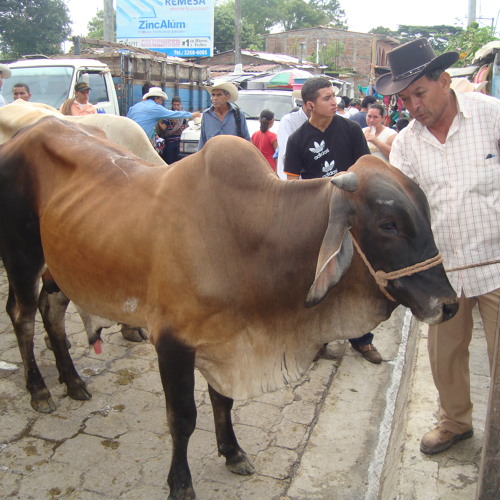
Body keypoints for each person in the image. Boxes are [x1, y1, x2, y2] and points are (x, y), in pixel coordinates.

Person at [377, 38, 500, 455]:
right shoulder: (407, 146)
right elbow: (405, 216)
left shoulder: (491, 116)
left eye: (419, 93)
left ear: (444, 81)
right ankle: (455, 423)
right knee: (444, 356)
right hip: (443, 273)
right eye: (406, 98)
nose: (413, 106)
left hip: (497, 265)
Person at [284, 76, 382, 364]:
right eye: (327, 98)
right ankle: (319, 339)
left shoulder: (350, 130)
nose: (334, 101)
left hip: (353, 215)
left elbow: (366, 169)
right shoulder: (297, 140)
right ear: (310, 105)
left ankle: (362, 340)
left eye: (334, 96)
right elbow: (292, 185)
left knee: (357, 278)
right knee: (321, 280)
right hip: (319, 221)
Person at [127, 87, 200, 141]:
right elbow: (174, 114)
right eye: (161, 99)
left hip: (128, 137)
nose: (161, 102)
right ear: (156, 99)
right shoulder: (156, 108)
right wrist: (191, 115)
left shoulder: (135, 106)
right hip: (141, 140)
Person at [198, 80, 250, 150]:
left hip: (232, 156)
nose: (215, 98)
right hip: (212, 156)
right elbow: (202, 140)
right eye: (213, 95)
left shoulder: (237, 114)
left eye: (219, 95)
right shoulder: (206, 115)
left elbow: (246, 138)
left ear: (227, 97)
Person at [276, 89, 310, 180]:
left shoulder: (330, 123)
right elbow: (286, 155)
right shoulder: (289, 121)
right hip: (296, 184)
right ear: (308, 104)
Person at [156, 96, 189, 164]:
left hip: (179, 142)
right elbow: (164, 128)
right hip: (169, 142)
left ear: (180, 105)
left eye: (178, 105)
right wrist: (158, 122)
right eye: (174, 105)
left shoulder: (183, 115)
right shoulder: (168, 115)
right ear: (171, 104)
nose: (176, 106)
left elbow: (185, 128)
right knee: (170, 161)